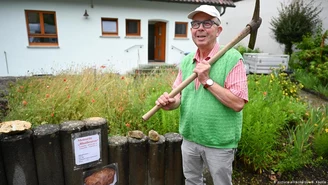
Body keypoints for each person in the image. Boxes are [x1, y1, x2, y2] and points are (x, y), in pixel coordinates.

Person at [155, 4, 248, 185]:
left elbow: (238, 103)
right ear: (191, 30)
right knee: (192, 180)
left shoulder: (232, 58)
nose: (200, 29)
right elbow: (179, 96)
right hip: (189, 139)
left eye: (207, 23)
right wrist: (169, 102)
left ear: (218, 29)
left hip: (219, 142)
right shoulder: (187, 61)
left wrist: (207, 81)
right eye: (196, 24)